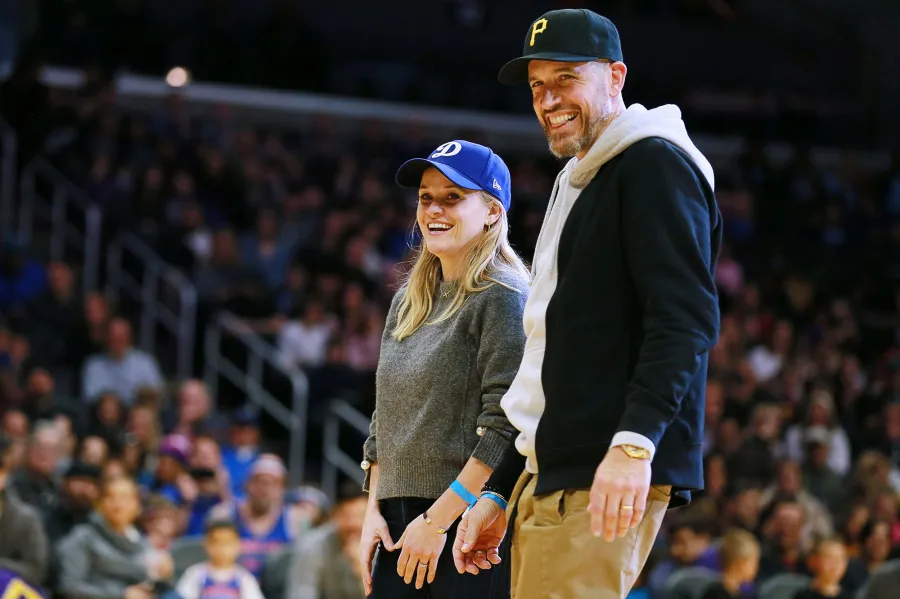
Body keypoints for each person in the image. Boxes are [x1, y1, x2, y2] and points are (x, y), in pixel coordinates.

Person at [453, 9, 722, 599]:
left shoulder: (652, 163)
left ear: (616, 77)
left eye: (566, 79)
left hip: (605, 464)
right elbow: (553, 359)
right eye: (537, 86)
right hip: (557, 468)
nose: (548, 100)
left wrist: (633, 445)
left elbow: (685, 318)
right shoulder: (584, 175)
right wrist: (503, 486)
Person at [359, 140, 529, 598]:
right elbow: (384, 418)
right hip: (398, 523)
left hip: (469, 526)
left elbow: (505, 425)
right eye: (426, 197)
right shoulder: (408, 300)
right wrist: (373, 511)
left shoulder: (504, 296)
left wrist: (438, 521)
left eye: (453, 197)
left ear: (493, 211)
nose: (435, 208)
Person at [174, 520, 265, 599]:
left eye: (227, 543)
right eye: (216, 542)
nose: (222, 548)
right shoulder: (195, 574)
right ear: (207, 544)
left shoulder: (244, 578)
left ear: (237, 545)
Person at [700, 529, 760, 599]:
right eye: (754, 562)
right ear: (740, 563)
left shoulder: (745, 593)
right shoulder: (715, 594)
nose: (756, 568)